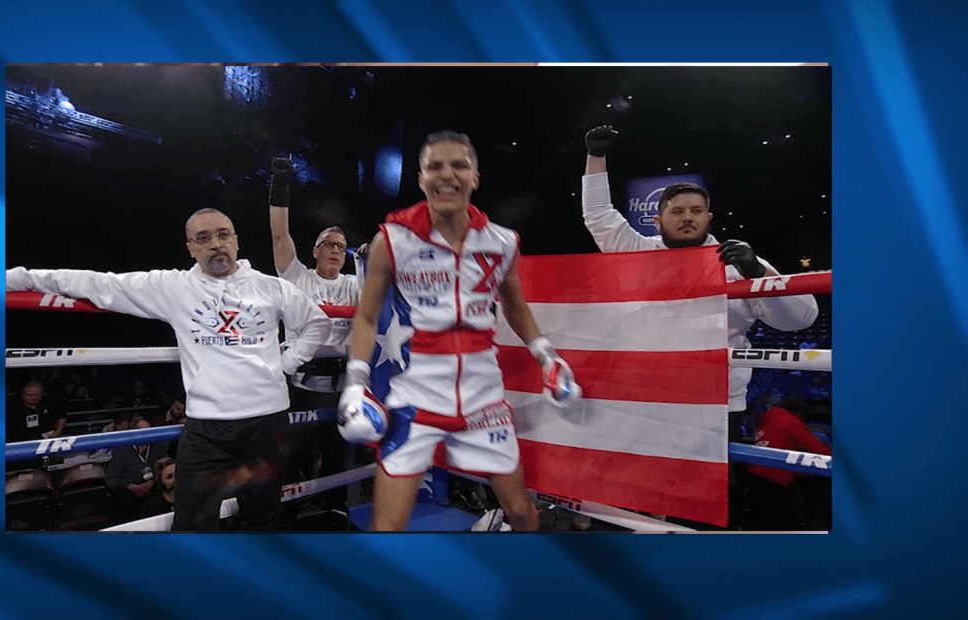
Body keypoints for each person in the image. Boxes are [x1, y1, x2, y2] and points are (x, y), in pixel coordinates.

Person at [6, 207, 332, 531]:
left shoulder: (270, 287)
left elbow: (316, 323)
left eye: (222, 234)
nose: (215, 244)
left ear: (235, 240)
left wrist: (286, 363)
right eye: (203, 238)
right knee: (192, 521)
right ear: (191, 247)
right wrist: (17, 278)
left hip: (266, 423)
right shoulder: (174, 287)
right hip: (207, 428)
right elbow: (96, 284)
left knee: (261, 518)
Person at [337, 130, 582, 532]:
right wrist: (355, 382)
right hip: (414, 398)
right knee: (387, 527)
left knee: (522, 513)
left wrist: (547, 356)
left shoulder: (502, 242)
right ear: (420, 178)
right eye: (435, 166)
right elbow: (366, 316)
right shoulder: (392, 240)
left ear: (475, 178)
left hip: (483, 396)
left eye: (458, 165)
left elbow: (515, 305)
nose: (446, 175)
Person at [579, 125, 819, 440]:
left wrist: (758, 274)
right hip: (648, 400)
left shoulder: (737, 263)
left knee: (721, 489)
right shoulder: (638, 252)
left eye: (696, 211)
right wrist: (596, 156)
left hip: (717, 406)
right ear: (657, 221)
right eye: (677, 211)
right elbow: (598, 215)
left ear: (709, 219)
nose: (687, 217)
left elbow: (801, 317)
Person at [269, 156, 361, 516]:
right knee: (293, 460)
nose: (335, 250)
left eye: (341, 246)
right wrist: (280, 185)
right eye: (328, 243)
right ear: (315, 251)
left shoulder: (356, 285)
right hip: (302, 388)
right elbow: (279, 234)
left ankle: (333, 520)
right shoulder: (298, 277)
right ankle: (287, 521)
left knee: (339, 460)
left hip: (340, 389)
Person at [744, 395, 832, 530]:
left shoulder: (768, 420)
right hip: (773, 480)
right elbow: (817, 449)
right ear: (798, 413)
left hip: (753, 477)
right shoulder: (790, 421)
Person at [105, 418, 168, 523]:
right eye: (144, 430)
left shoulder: (158, 447)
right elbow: (111, 478)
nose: (149, 433)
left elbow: (166, 468)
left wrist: (152, 481)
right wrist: (131, 486)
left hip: (153, 490)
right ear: (134, 432)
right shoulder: (122, 450)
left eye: (150, 430)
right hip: (128, 494)